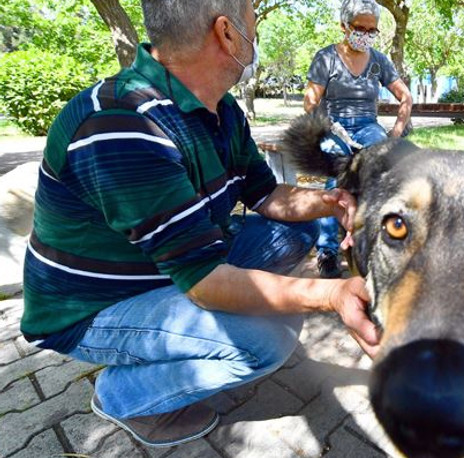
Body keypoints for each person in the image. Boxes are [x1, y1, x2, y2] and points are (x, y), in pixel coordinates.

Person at [20, 0, 380, 448]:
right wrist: (331, 295)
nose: (256, 34)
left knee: (298, 231)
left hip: (170, 264)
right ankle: (123, 396)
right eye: (252, 23)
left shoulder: (221, 110)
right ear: (227, 34)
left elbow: (267, 196)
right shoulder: (120, 124)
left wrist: (334, 202)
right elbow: (204, 282)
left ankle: (201, 326)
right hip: (95, 306)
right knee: (271, 337)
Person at [304, 0, 412, 278]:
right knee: (337, 173)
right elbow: (310, 102)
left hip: (368, 126)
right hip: (333, 126)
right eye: (359, 28)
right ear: (344, 26)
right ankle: (328, 250)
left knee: (379, 171)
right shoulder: (325, 58)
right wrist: (325, 126)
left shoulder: (379, 61)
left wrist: (396, 133)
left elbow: (405, 97)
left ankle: (376, 242)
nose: (365, 34)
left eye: (371, 30)